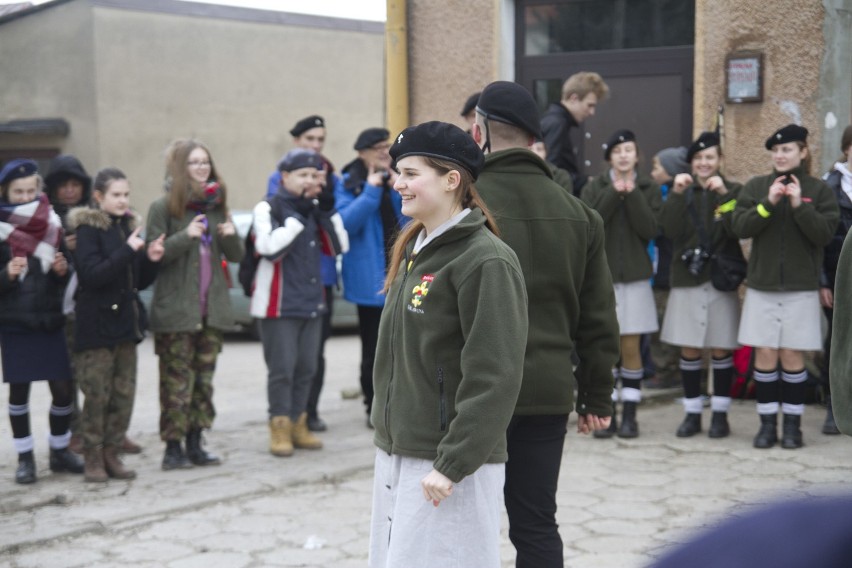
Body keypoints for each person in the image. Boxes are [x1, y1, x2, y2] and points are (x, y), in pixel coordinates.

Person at [472, 81, 620, 567]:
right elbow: (598, 320)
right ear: (535, 137)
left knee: (462, 520)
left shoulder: (464, 207)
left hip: (471, 393)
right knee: (536, 523)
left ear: (480, 132)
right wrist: (596, 398)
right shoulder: (580, 214)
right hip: (547, 390)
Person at [369, 121, 528, 568]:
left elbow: (495, 375)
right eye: (398, 172)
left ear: (451, 180)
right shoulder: (416, 247)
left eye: (410, 172)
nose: (398, 182)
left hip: (447, 465)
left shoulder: (485, 260)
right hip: (402, 453)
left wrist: (453, 462)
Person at [732, 124, 839, 449]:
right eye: (776, 151)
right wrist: (768, 202)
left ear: (803, 152)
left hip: (800, 287)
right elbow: (740, 226)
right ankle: (766, 426)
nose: (780, 155)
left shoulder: (818, 190)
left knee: (792, 354)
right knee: (765, 352)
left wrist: (798, 205)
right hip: (762, 285)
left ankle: (792, 428)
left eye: (788, 149)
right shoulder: (756, 186)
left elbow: (824, 234)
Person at [145, 139, 245, 469]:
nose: (203, 167)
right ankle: (173, 448)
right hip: (177, 311)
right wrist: (183, 236)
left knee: (203, 382)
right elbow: (152, 258)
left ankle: (195, 441)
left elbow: (235, 256)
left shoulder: (216, 206)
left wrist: (230, 235)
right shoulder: (163, 208)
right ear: (179, 168)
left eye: (206, 162)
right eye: (194, 162)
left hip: (210, 309)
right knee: (176, 384)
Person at [68, 168, 164, 481]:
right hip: (95, 325)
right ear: (98, 197)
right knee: (97, 395)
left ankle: (112, 453)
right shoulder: (88, 229)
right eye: (116, 195)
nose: (123, 201)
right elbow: (93, 275)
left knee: (124, 394)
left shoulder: (128, 228)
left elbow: (138, 279)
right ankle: (93, 458)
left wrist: (151, 258)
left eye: (126, 194)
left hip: (125, 323)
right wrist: (127, 251)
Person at [252, 149, 348, 457]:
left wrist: (327, 211)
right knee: (283, 370)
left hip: (311, 301)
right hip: (278, 306)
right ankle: (279, 427)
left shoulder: (315, 208)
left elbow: (339, 246)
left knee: (307, 367)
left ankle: (298, 423)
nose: (309, 181)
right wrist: (296, 219)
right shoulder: (268, 207)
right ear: (285, 178)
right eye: (302, 175)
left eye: (313, 176)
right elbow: (268, 248)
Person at [0, 159, 83, 484]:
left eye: (30, 191)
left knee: (63, 391)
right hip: (15, 323)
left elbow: (67, 272)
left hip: (50, 320)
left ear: (38, 190)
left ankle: (59, 451)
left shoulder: (52, 222)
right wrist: (6, 275)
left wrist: (64, 271)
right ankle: (25, 459)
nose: (24, 197)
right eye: (18, 192)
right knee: (19, 394)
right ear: (6, 192)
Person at [659, 132, 743, 438]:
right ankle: (692, 413)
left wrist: (724, 196)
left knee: (722, 348)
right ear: (691, 163)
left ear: (720, 161)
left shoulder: (733, 190)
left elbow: (736, 229)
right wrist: (677, 195)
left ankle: (720, 414)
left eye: (710, 157)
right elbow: (668, 229)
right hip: (687, 278)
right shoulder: (682, 191)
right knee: (690, 348)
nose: (704, 163)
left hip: (720, 279)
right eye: (698, 159)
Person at [582, 129, 662, 439]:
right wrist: (615, 193)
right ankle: (607, 413)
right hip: (601, 278)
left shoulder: (648, 186)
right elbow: (591, 223)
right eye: (618, 151)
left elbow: (650, 229)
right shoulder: (595, 187)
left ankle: (630, 414)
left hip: (636, 277)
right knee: (607, 348)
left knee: (630, 345)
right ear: (609, 158)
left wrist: (634, 195)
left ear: (637, 155)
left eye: (629, 150)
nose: (624, 155)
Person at [266, 115, 340, 432]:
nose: (316, 145)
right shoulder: (278, 183)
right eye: (310, 139)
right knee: (286, 363)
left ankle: (307, 413)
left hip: (319, 279)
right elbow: (277, 230)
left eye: (320, 139)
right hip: (288, 284)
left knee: (312, 358)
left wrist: (325, 205)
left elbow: (337, 237)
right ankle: (283, 421)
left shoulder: (330, 176)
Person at [334, 128, 406, 427]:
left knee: (401, 348)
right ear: (361, 152)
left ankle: (399, 404)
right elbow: (345, 224)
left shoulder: (399, 177)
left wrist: (392, 186)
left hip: (401, 275)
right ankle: (372, 407)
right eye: (376, 147)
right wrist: (371, 190)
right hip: (369, 281)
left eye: (386, 146)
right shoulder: (348, 182)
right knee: (373, 350)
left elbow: (411, 220)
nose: (382, 151)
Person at [818, 125, 852, 435]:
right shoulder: (830, 187)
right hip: (841, 277)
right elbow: (821, 242)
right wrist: (823, 281)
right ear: (847, 148)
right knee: (839, 342)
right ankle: (835, 404)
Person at [540, 71, 610, 196]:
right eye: (590, 105)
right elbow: (551, 172)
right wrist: (585, 181)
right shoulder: (557, 124)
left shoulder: (555, 121)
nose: (592, 112)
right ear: (574, 98)